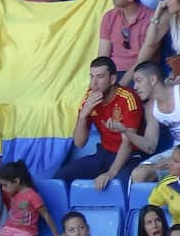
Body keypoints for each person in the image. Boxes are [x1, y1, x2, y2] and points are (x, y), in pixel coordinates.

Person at [55, 57, 144, 185]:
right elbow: (79, 143)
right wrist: (83, 116)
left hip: (130, 157)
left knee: (117, 184)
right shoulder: (90, 97)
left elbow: (128, 143)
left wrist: (111, 173)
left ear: (112, 79)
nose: (94, 83)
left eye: (100, 77)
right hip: (104, 154)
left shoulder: (127, 98)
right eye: (91, 77)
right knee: (61, 177)